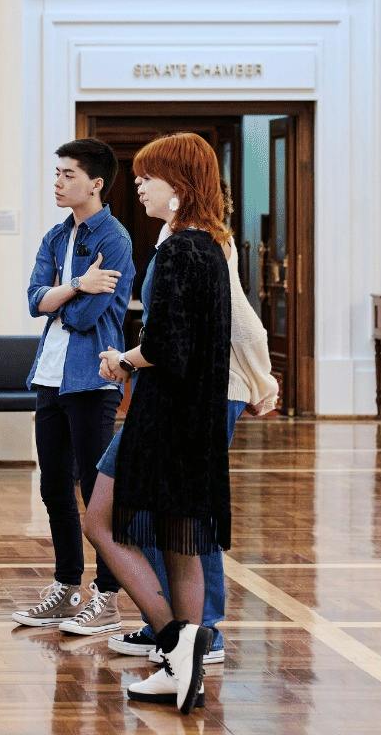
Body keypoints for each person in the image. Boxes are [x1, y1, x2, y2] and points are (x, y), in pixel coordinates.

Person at [83, 132, 233, 715]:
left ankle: (176, 643)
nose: (139, 184)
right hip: (194, 416)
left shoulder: (177, 250)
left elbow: (167, 343)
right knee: (182, 540)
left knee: (99, 520)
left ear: (181, 186)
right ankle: (181, 664)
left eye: (149, 176)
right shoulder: (211, 245)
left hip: (163, 415)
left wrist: (124, 359)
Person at [107, 203, 278, 665]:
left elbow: (243, 325)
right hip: (178, 392)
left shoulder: (201, 243)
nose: (138, 186)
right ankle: (172, 627)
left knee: (187, 513)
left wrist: (263, 384)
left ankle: (203, 632)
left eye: (148, 177)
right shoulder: (174, 235)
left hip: (211, 392)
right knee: (166, 510)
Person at [10, 139, 134, 636]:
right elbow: (34, 300)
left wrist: (67, 295)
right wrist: (79, 284)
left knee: (93, 488)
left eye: (67, 175)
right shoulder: (56, 236)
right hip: (50, 373)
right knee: (52, 484)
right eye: (56, 173)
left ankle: (106, 596)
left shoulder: (116, 238)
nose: (57, 183)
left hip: (91, 378)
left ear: (95, 183)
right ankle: (66, 586)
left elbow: (83, 317)